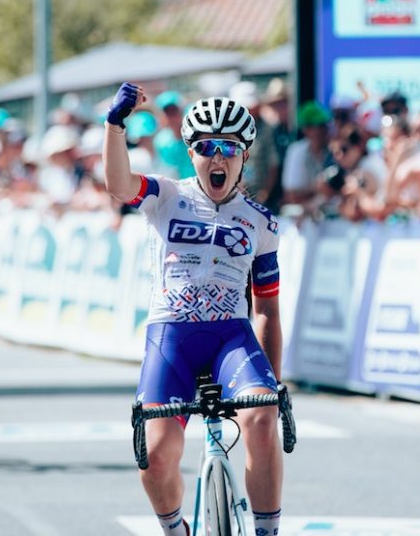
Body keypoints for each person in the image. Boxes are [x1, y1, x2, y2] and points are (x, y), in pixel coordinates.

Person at [102, 83, 285, 536]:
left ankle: (266, 530)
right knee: (157, 455)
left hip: (231, 340)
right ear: (191, 152)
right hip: (171, 340)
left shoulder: (262, 223)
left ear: (244, 156)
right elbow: (118, 184)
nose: (217, 157)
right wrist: (114, 125)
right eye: (206, 147)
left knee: (261, 422)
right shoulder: (165, 196)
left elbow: (267, 312)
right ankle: (173, 529)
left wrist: (272, 384)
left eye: (228, 148)